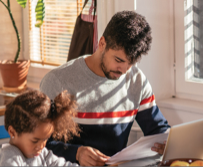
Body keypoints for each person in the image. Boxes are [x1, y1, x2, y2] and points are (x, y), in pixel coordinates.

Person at [40, 10, 171, 166]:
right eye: (118, 60)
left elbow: (158, 130)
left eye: (130, 64)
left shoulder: (136, 80)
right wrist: (76, 153)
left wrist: (168, 144)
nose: (123, 70)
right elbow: (37, 143)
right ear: (102, 43)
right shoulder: (57, 81)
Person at [0, 90, 80, 166]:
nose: (41, 146)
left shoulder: (42, 154)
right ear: (12, 132)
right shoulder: (8, 156)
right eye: (35, 141)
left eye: (45, 139)